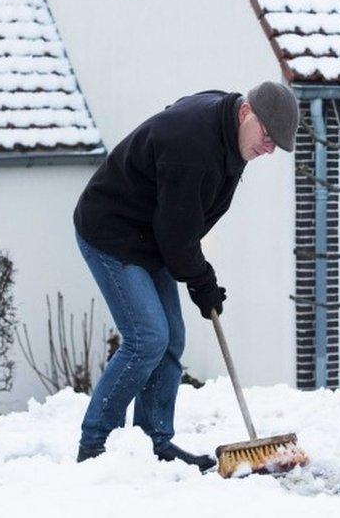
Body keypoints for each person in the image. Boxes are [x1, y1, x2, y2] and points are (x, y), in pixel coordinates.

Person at [71, 81, 300, 471]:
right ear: (246, 112)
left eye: (276, 143)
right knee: (147, 338)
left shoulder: (229, 130)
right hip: (111, 231)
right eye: (267, 136)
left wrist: (197, 276)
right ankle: (95, 445)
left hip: (151, 237)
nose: (269, 148)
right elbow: (178, 233)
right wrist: (201, 280)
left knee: (171, 337)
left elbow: (180, 228)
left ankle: (154, 442)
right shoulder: (193, 146)